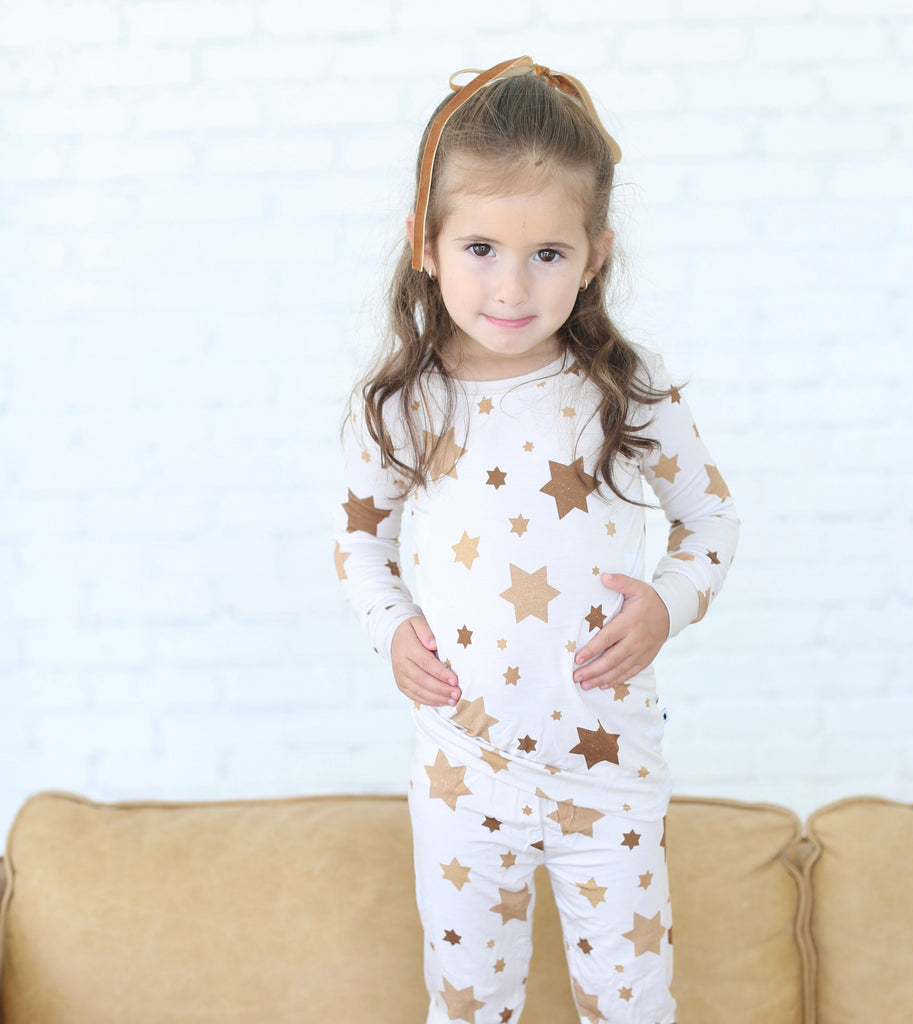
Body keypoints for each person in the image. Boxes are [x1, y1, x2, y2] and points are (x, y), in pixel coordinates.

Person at [334, 55, 739, 1024]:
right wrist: (394, 629)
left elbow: (709, 518)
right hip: (461, 776)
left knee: (633, 1007)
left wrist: (666, 602)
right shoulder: (401, 403)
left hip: (609, 777)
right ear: (424, 245)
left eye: (547, 254)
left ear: (593, 254)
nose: (511, 285)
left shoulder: (626, 392)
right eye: (479, 246)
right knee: (470, 1006)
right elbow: (359, 544)